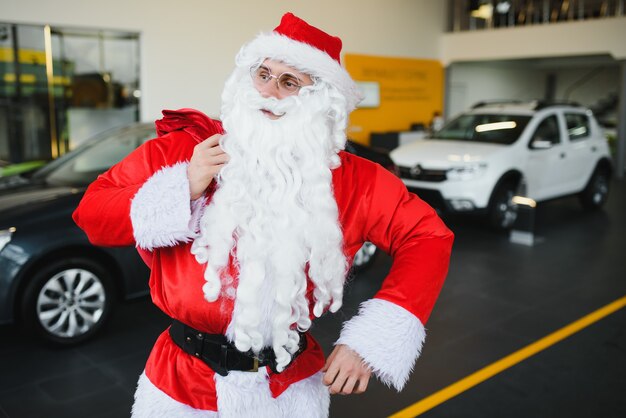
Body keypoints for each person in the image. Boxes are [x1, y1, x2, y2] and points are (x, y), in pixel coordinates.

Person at [73, 12, 453, 418]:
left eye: (289, 82)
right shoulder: (188, 151)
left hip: (288, 392)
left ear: (321, 99)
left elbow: (427, 236)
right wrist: (184, 185)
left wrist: (369, 342)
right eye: (263, 74)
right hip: (180, 386)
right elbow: (92, 214)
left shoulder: (356, 181)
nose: (269, 91)